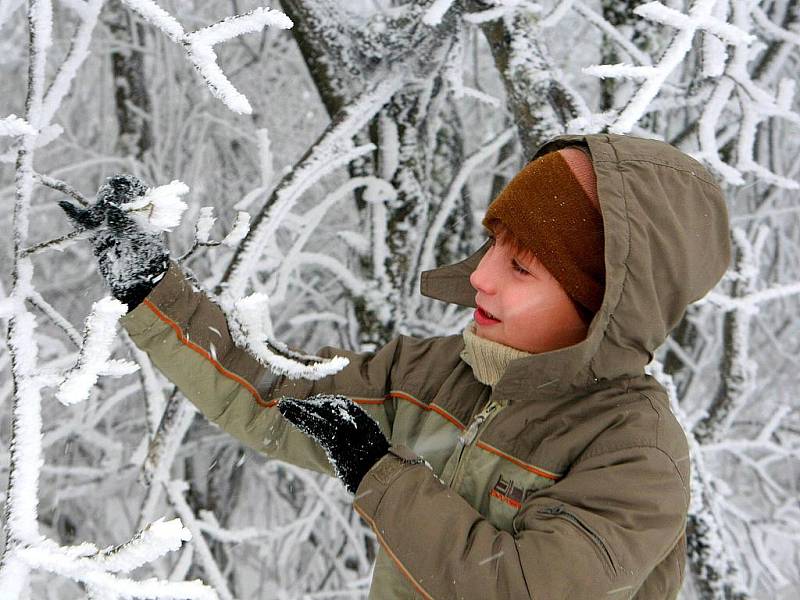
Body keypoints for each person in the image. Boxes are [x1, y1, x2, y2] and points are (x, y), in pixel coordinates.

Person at [61, 133, 732, 599]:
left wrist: (380, 477)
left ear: (608, 304)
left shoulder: (635, 458)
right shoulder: (442, 373)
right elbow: (271, 391)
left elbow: (520, 587)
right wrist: (152, 290)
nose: (483, 280)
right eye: (492, 245)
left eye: (522, 267)